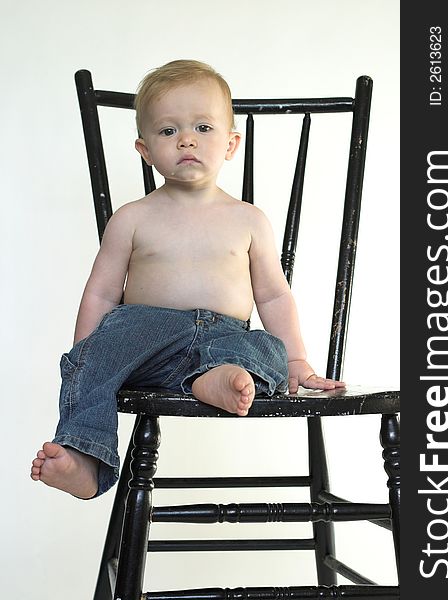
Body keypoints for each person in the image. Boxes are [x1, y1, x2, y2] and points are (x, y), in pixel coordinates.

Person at [30, 59, 345, 500]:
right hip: (144, 337)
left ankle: (214, 380)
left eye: (203, 127)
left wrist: (297, 361)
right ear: (145, 150)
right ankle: (85, 455)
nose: (186, 140)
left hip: (226, 339)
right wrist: (91, 351)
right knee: (89, 361)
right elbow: (101, 292)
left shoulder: (249, 219)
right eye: (167, 131)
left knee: (267, 350)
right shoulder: (132, 218)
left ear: (232, 143)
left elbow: (273, 295)